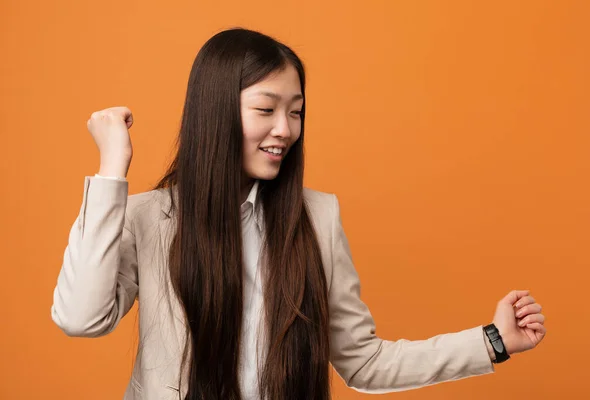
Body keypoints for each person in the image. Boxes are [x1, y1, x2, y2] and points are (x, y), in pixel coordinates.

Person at [51, 28, 546, 400]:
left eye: (296, 111)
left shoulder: (318, 217)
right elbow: (81, 318)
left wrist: (494, 341)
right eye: (266, 110)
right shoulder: (147, 218)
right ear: (214, 111)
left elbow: (363, 362)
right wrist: (112, 169)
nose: (285, 129)